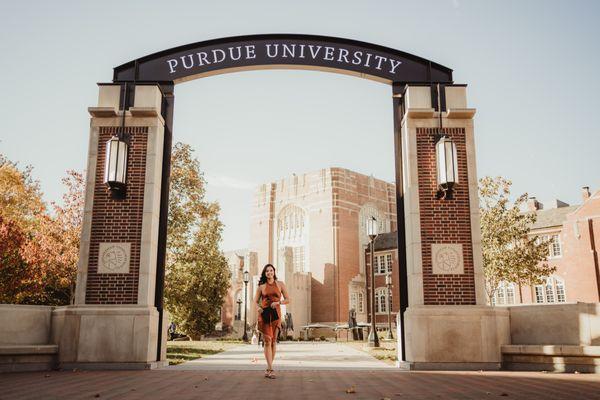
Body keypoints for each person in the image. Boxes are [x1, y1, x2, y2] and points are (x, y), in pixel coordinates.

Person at [253, 263, 290, 379]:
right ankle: (271, 369)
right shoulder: (261, 287)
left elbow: (288, 299)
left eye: (271, 270)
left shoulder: (280, 284)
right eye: (267, 271)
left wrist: (278, 302)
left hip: (276, 315)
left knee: (273, 341)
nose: (269, 272)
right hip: (264, 314)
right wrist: (258, 308)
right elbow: (255, 301)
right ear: (265, 273)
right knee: (267, 341)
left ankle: (268, 369)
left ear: (274, 272)